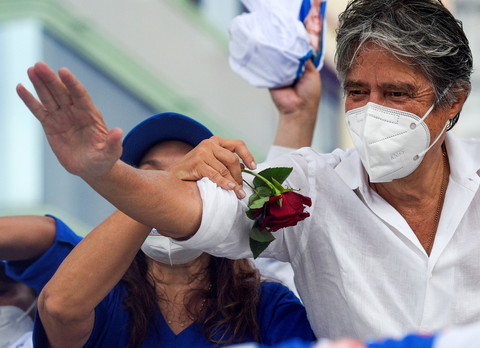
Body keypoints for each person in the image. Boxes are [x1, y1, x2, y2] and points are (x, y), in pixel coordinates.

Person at [16, 0, 480, 340]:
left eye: (397, 94)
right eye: (357, 92)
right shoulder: (306, 190)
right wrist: (103, 172)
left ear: (453, 101)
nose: (372, 112)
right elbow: (195, 210)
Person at [2, 113, 314, 348]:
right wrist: (166, 187)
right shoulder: (101, 292)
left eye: (191, 179)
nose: (167, 188)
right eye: (149, 177)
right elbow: (59, 308)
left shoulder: (266, 304)